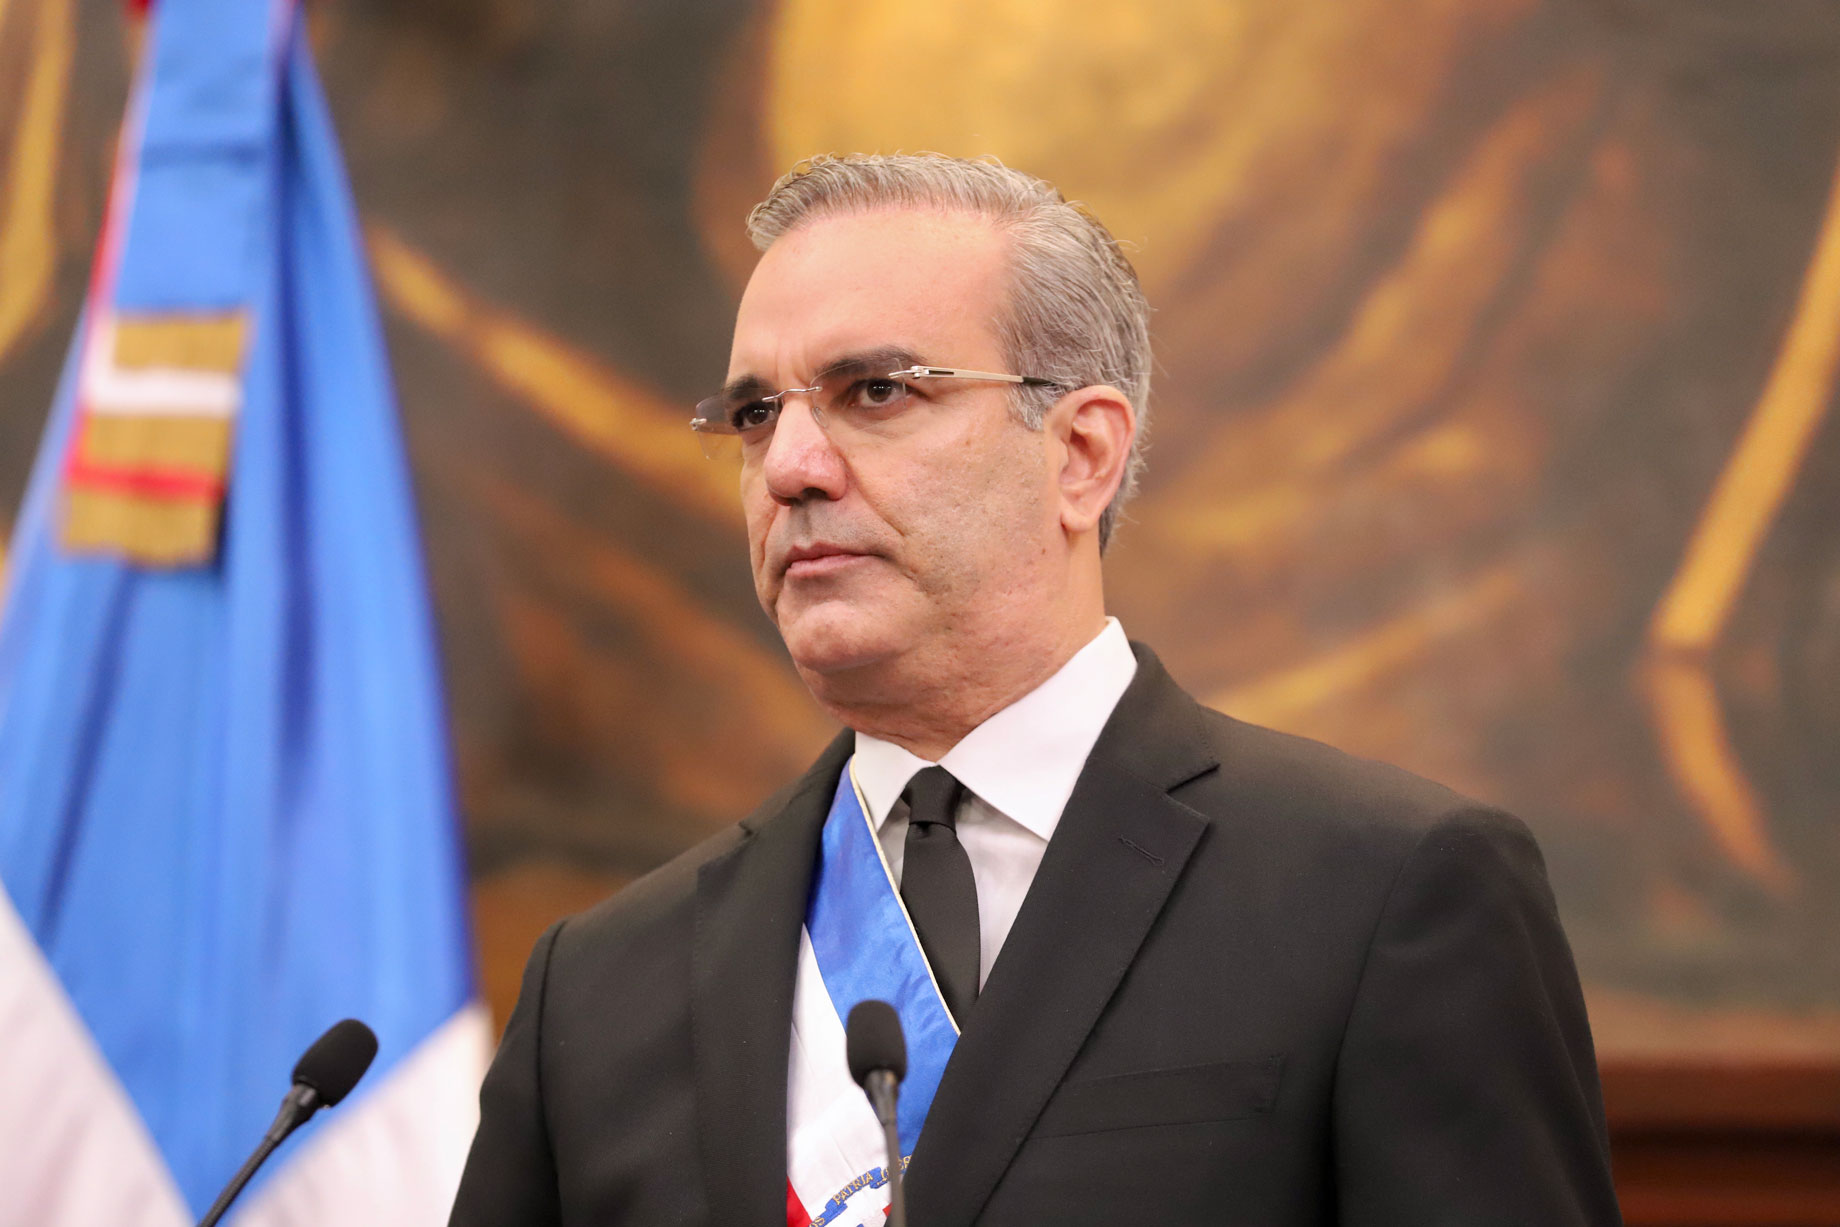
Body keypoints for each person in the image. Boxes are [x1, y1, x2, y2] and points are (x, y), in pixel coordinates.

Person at [448, 153, 1622, 1227]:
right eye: (757, 414)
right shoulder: (600, 986)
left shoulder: (1383, 894)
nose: (790, 468)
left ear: (1080, 454)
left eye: (875, 392)